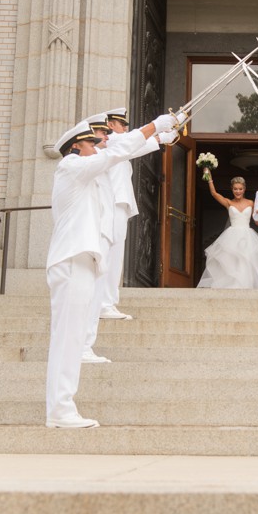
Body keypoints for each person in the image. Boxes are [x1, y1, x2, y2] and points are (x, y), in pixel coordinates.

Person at [45, 112, 178, 428]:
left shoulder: (87, 178)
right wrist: (153, 127)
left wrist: (159, 138)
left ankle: (62, 409)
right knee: (67, 338)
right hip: (72, 260)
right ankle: (60, 410)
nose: (101, 145)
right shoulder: (71, 167)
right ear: (78, 145)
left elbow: (121, 153)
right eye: (95, 142)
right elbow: (117, 151)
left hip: (81, 260)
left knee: (72, 338)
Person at [79, 110, 176, 363]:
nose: (117, 131)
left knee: (113, 258)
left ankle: (107, 301)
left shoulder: (113, 146)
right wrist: (156, 128)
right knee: (106, 262)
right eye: (115, 127)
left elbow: (134, 146)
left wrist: (160, 138)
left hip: (116, 205)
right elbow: (130, 143)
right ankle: (105, 304)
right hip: (108, 208)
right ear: (109, 126)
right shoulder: (108, 146)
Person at [197, 173, 258, 289]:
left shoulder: (250, 203)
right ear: (232, 189)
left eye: (240, 189)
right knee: (231, 263)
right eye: (235, 189)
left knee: (247, 262)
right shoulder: (229, 203)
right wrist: (209, 178)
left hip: (247, 236)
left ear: (244, 189)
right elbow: (214, 194)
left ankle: (245, 287)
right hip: (231, 236)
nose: (238, 191)